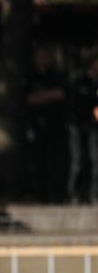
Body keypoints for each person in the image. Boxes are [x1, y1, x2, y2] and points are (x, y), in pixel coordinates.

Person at [26, 47, 68, 203]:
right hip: (36, 126)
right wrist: (50, 95)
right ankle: (39, 193)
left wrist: (42, 96)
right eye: (40, 56)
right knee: (38, 160)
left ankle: (56, 193)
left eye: (45, 56)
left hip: (54, 126)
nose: (43, 59)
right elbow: (29, 99)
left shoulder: (54, 76)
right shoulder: (31, 76)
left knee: (55, 160)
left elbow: (61, 93)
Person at [69, 56, 98, 203]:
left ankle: (94, 195)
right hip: (78, 125)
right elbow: (73, 102)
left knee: (96, 160)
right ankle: (75, 194)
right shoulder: (78, 80)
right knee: (78, 161)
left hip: (94, 126)